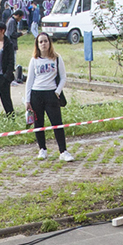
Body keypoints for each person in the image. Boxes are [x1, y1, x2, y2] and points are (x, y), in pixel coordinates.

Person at [25, 31, 73, 161]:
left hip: (51, 94)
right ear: (37, 44)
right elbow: (29, 80)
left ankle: (63, 151)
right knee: (38, 123)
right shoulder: (34, 60)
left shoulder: (56, 58)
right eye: (40, 42)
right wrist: (27, 100)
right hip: (36, 94)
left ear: (49, 43)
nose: (43, 44)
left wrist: (57, 92)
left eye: (45, 41)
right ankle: (42, 149)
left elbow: (63, 77)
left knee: (57, 123)